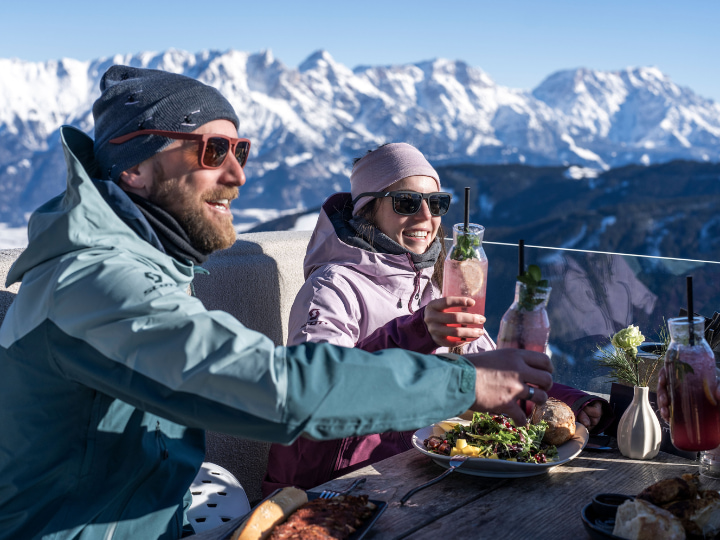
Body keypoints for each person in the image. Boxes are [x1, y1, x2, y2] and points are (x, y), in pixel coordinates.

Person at [0, 66, 553, 540]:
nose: (237, 174)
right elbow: (267, 386)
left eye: (240, 151)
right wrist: (464, 382)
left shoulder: (143, 269)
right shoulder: (97, 281)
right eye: (212, 151)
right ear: (135, 168)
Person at [264, 143, 613, 494]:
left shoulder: (431, 292)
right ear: (368, 210)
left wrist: (573, 402)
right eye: (406, 203)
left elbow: (494, 370)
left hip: (407, 477)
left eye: (436, 204)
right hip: (326, 489)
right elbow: (313, 393)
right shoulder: (333, 286)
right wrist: (415, 332)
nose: (425, 218)